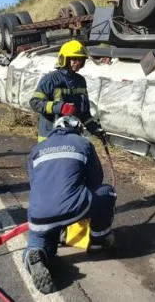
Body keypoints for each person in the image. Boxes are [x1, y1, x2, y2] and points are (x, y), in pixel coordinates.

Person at [23, 115, 116, 294]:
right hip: (71, 208)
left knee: (42, 246)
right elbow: (96, 181)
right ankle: (98, 243)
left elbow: (35, 183)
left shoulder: (37, 149)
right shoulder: (83, 144)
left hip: (38, 214)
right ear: (78, 129)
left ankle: (34, 256)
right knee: (106, 192)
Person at [28, 40, 104, 142]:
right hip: (50, 138)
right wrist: (60, 107)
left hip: (71, 138)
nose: (77, 63)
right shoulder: (50, 79)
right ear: (65, 59)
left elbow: (84, 113)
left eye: (80, 60)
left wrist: (95, 129)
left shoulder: (80, 81)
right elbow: (35, 102)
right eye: (74, 59)